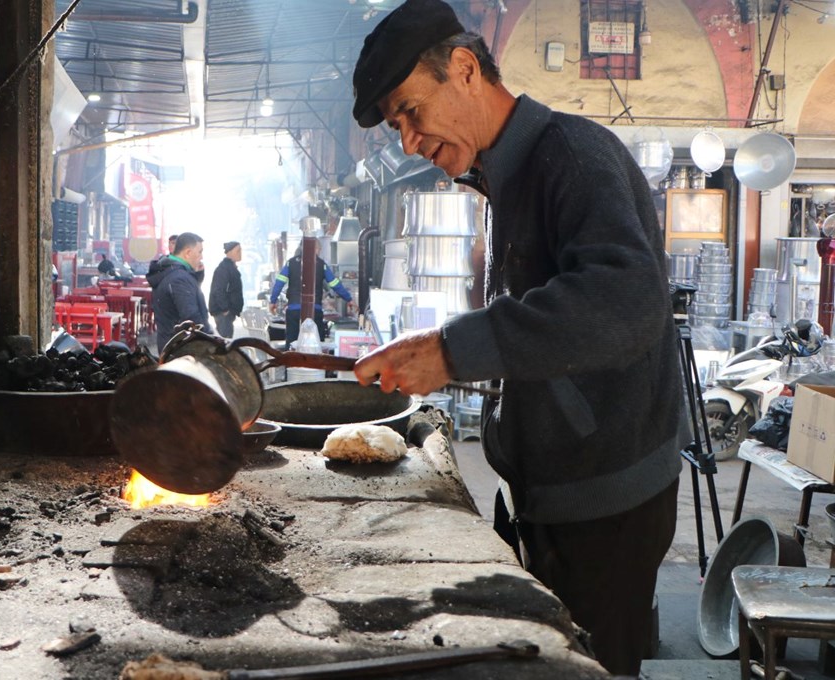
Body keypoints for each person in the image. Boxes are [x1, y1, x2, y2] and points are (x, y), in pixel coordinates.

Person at [349, 1, 688, 675]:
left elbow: (623, 304)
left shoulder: (572, 156)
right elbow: (546, 331)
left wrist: (455, 351)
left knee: (588, 667)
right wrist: (444, 351)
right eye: (397, 128)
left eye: (411, 112)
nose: (409, 142)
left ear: (466, 70)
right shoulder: (507, 175)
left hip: (608, 500)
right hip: (553, 491)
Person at [267, 246, 352, 347]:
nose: (319, 252)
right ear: (315, 248)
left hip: (293, 309)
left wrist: (273, 301)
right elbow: (334, 284)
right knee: (317, 343)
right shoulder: (321, 264)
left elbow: (279, 283)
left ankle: (290, 361)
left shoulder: (291, 262)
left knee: (291, 343)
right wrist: (349, 299)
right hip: (314, 310)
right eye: (319, 249)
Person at [148, 232, 211, 352]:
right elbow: (192, 318)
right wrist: (210, 341)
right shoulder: (179, 279)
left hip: (171, 345)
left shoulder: (170, 271)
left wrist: (196, 275)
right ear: (188, 253)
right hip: (181, 351)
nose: (201, 257)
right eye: (200, 252)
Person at [208, 241, 245, 338]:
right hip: (223, 313)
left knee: (226, 339)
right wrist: (225, 309)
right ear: (229, 252)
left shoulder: (230, 268)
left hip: (227, 311)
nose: (240, 253)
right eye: (238, 251)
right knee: (224, 341)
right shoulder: (224, 269)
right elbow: (218, 290)